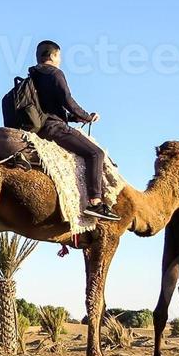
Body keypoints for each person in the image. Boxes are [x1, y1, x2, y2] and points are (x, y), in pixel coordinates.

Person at [27, 40, 119, 222]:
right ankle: (95, 203)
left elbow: (46, 109)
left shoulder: (32, 77)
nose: (60, 60)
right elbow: (67, 101)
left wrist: (73, 118)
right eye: (59, 56)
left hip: (41, 128)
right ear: (53, 56)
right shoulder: (55, 73)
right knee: (96, 153)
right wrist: (87, 116)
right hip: (55, 128)